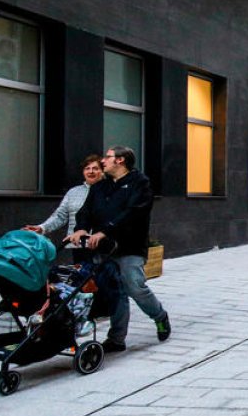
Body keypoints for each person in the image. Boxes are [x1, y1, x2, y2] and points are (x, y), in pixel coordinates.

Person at [70, 146, 170, 353]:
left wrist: (105, 231)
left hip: (129, 247)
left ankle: (160, 316)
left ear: (121, 161)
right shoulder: (100, 187)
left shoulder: (140, 184)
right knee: (115, 292)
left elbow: (133, 213)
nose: (103, 161)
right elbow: (85, 211)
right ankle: (116, 339)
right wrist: (80, 228)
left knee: (135, 287)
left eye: (107, 157)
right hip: (103, 249)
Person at [23, 154, 104, 261]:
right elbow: (60, 216)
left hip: (102, 245)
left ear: (103, 171)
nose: (91, 171)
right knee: (82, 276)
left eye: (95, 168)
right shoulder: (73, 192)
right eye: (87, 168)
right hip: (78, 244)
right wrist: (42, 228)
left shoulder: (109, 191)